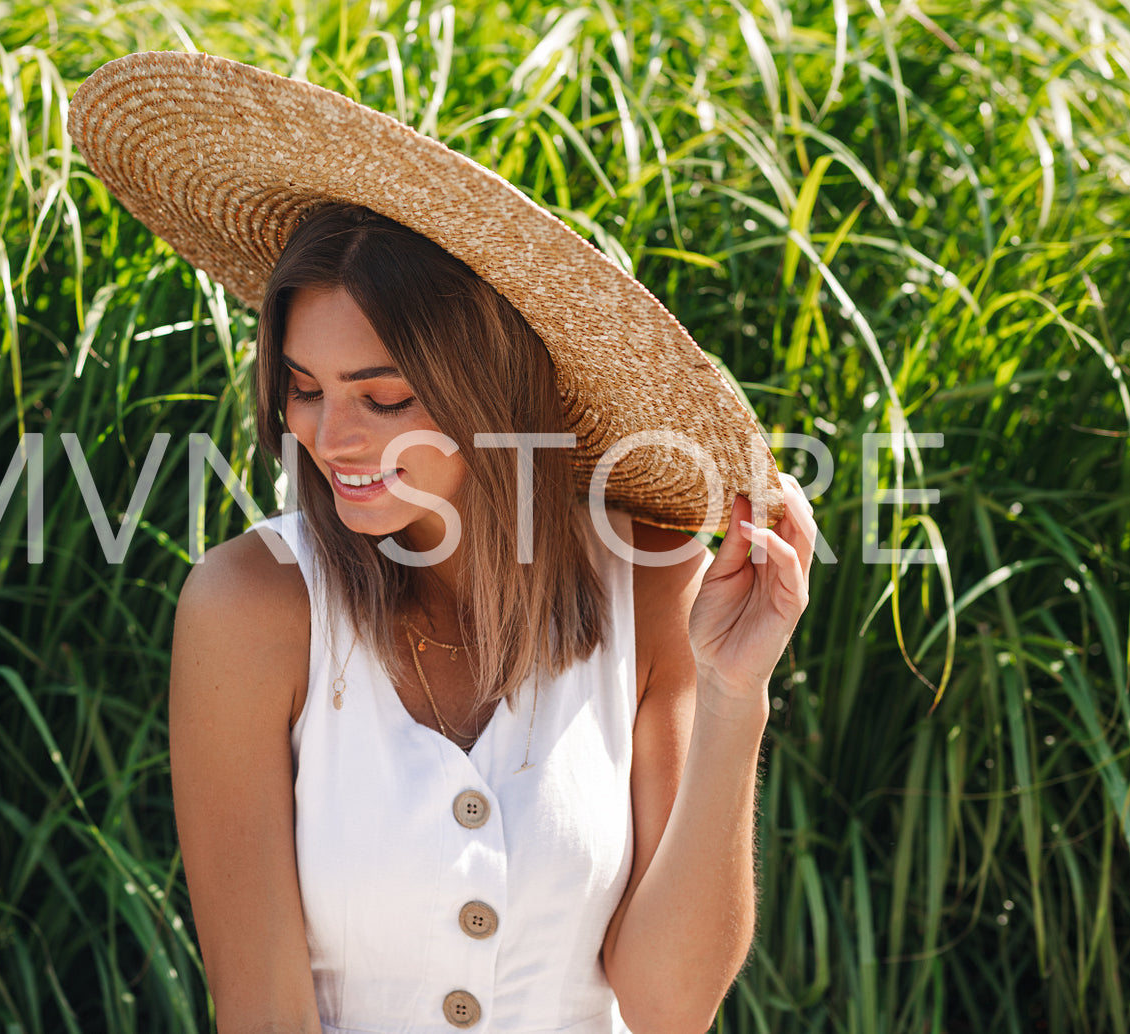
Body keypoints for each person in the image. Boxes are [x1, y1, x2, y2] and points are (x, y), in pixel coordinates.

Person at [69, 52, 817, 1034]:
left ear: (492, 394)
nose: (329, 439)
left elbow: (667, 1001)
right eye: (302, 387)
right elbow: (262, 1010)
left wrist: (733, 694)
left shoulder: (647, 573)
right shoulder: (251, 603)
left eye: (383, 398)